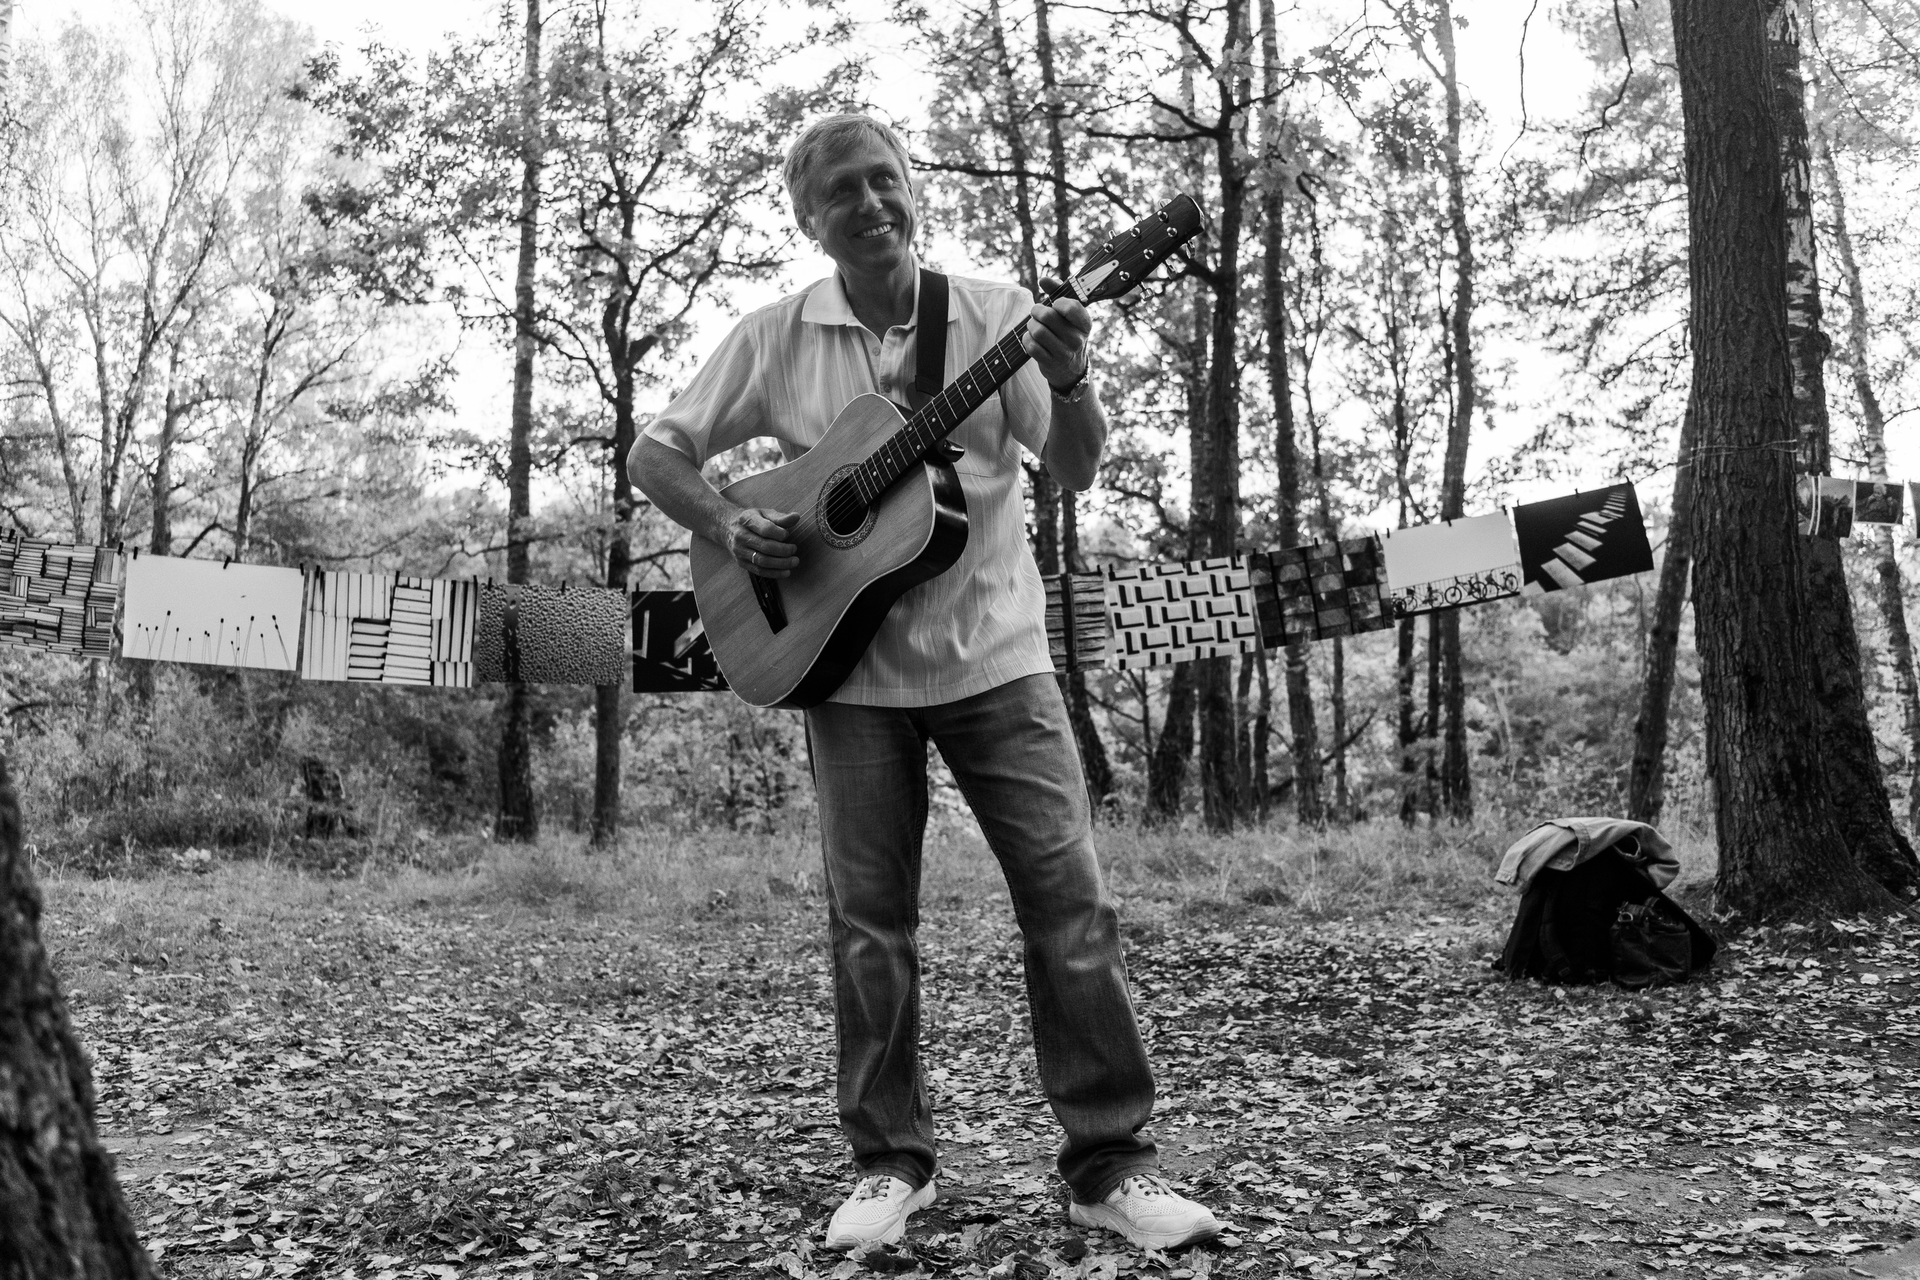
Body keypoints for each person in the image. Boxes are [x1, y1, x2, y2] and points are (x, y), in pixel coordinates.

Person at [628, 114, 1220, 1254]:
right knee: (869, 927)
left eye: (884, 180)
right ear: (809, 219)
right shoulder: (774, 336)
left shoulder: (996, 317)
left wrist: (1072, 377)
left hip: (996, 656)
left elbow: (1076, 466)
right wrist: (732, 522)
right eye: (842, 191)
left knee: (1070, 907)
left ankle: (1109, 1164)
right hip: (845, 669)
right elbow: (658, 452)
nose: (870, 204)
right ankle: (890, 1164)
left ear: (912, 190)